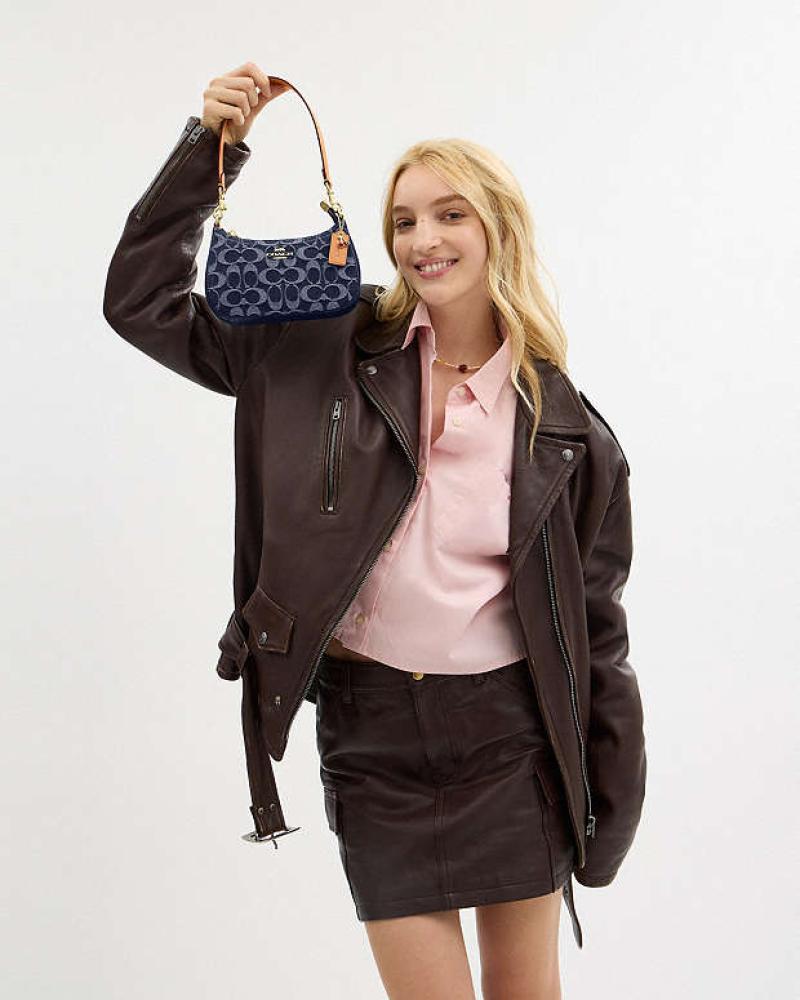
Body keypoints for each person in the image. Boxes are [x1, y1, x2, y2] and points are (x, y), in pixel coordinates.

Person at [103, 61, 647, 1000]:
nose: (422, 239)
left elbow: (599, 635)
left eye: (450, 214)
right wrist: (209, 154)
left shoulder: (568, 434)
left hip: (511, 737)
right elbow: (141, 305)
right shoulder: (318, 342)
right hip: (374, 734)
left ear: (500, 228)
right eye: (403, 220)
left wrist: (611, 802)